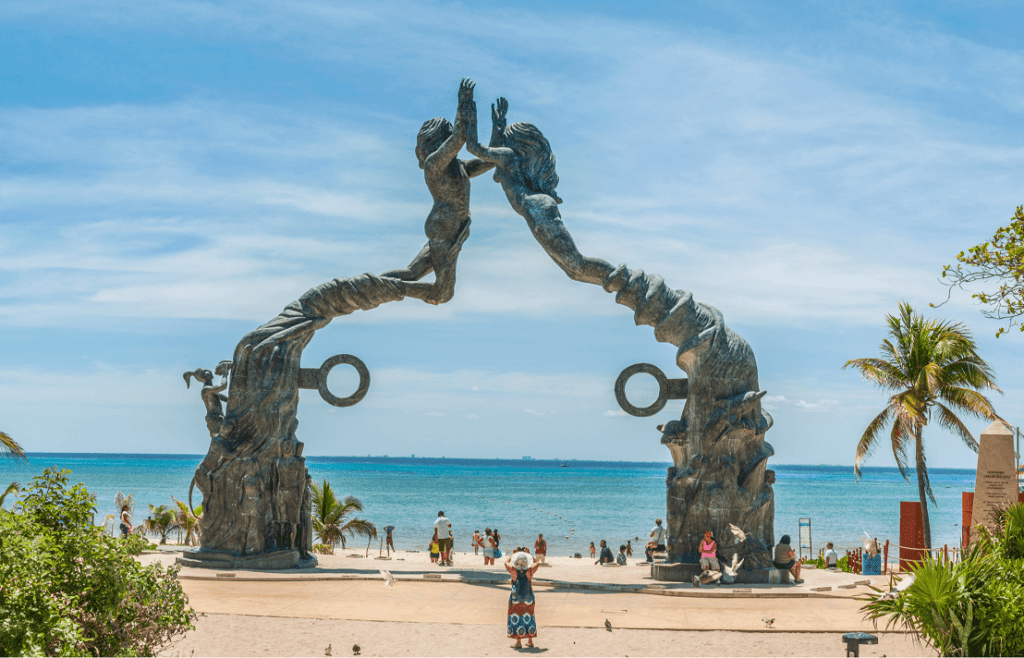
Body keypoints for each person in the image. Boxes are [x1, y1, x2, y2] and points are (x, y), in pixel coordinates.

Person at [463, 93, 614, 287]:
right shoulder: (507, 160)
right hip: (535, 208)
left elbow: (474, 148)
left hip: (536, 207)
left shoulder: (508, 155)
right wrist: (497, 129)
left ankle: (626, 280)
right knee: (573, 271)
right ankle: (622, 283)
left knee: (576, 263)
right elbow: (492, 166)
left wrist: (469, 115)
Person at [381, 78, 495, 306]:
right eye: (448, 133)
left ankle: (375, 285)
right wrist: (464, 103)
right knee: (443, 293)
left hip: (450, 230)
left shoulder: (458, 167)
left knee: (412, 273)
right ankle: (378, 287)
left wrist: (499, 131)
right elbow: (459, 138)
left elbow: (489, 160)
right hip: (444, 229)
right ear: (439, 139)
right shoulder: (434, 164)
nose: (452, 135)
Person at [505, 550, 540, 649]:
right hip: (528, 597)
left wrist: (512, 556)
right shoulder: (530, 571)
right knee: (529, 617)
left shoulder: (513, 571)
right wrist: (530, 556)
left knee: (516, 618)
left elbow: (506, 563)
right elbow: (537, 563)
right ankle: (530, 641)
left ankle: (518, 642)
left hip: (516, 597)